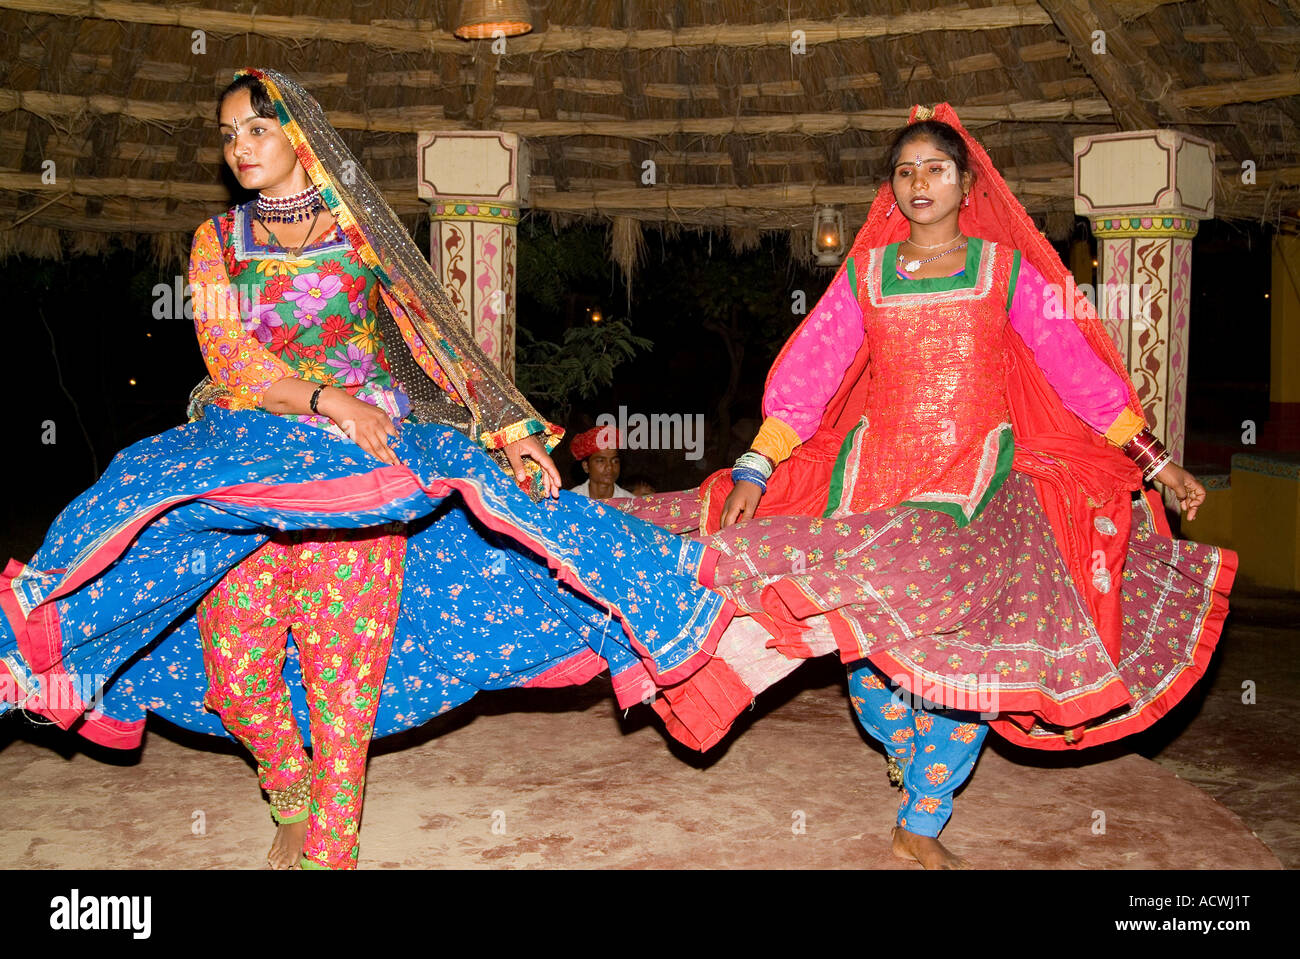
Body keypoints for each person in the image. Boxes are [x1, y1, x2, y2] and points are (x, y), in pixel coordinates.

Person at [0, 69, 733, 870]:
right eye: (228, 134)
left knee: (342, 666)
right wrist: (326, 402)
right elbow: (231, 359)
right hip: (244, 467)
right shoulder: (215, 242)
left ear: (298, 133)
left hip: (364, 465)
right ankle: (288, 786)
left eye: (256, 127)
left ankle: (331, 843)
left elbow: (436, 339)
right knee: (237, 670)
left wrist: (509, 428)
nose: (240, 146)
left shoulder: (360, 232)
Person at [624, 104, 1234, 869]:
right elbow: (809, 375)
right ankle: (911, 759)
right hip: (875, 487)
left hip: (975, 489)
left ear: (966, 182)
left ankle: (922, 814)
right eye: (905, 170)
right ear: (892, 188)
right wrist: (756, 464)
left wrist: (1155, 459)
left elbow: (1076, 371)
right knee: (870, 664)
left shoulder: (1006, 271)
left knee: (966, 659)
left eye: (935, 169)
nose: (919, 182)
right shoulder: (867, 274)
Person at [569, 425, 634, 500]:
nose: (610, 467)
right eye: (601, 461)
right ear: (586, 466)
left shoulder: (631, 504)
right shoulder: (571, 500)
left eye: (615, 461)